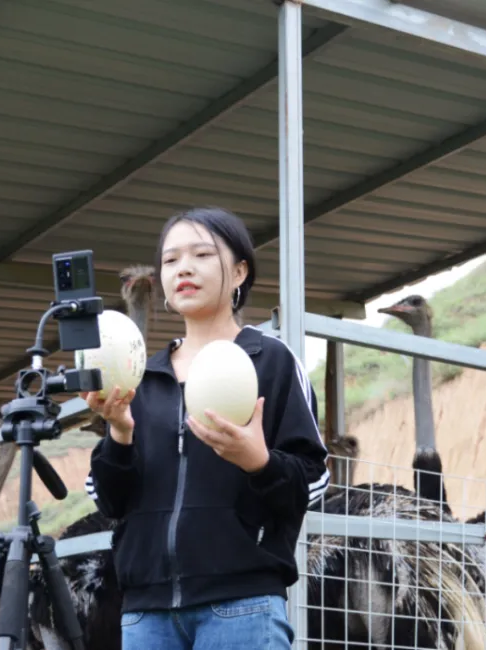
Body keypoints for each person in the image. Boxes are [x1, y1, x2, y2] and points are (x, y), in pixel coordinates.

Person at [82, 206, 330, 649]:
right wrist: (119, 434)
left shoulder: (270, 360)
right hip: (145, 614)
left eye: (201, 254)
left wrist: (259, 463)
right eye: (172, 259)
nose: (184, 269)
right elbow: (109, 501)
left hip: (242, 606)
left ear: (238, 272)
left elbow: (313, 480)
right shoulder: (141, 376)